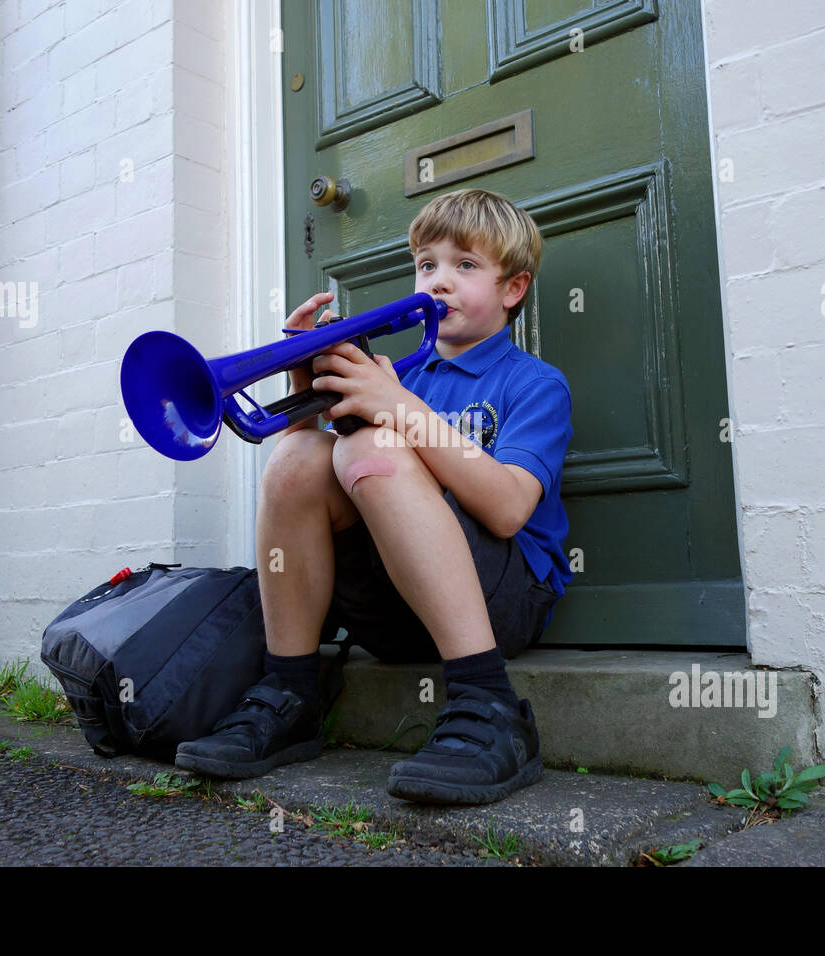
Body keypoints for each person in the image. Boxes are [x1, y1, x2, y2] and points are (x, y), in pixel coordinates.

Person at [175, 188, 573, 805]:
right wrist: (302, 389)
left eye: (465, 266)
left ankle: (489, 704)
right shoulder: (396, 376)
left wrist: (401, 413)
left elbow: (507, 508)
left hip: (502, 600)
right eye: (427, 264)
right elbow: (312, 487)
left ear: (512, 289)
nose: (438, 282)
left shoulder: (534, 383)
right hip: (393, 612)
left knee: (370, 450)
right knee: (297, 458)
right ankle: (291, 694)